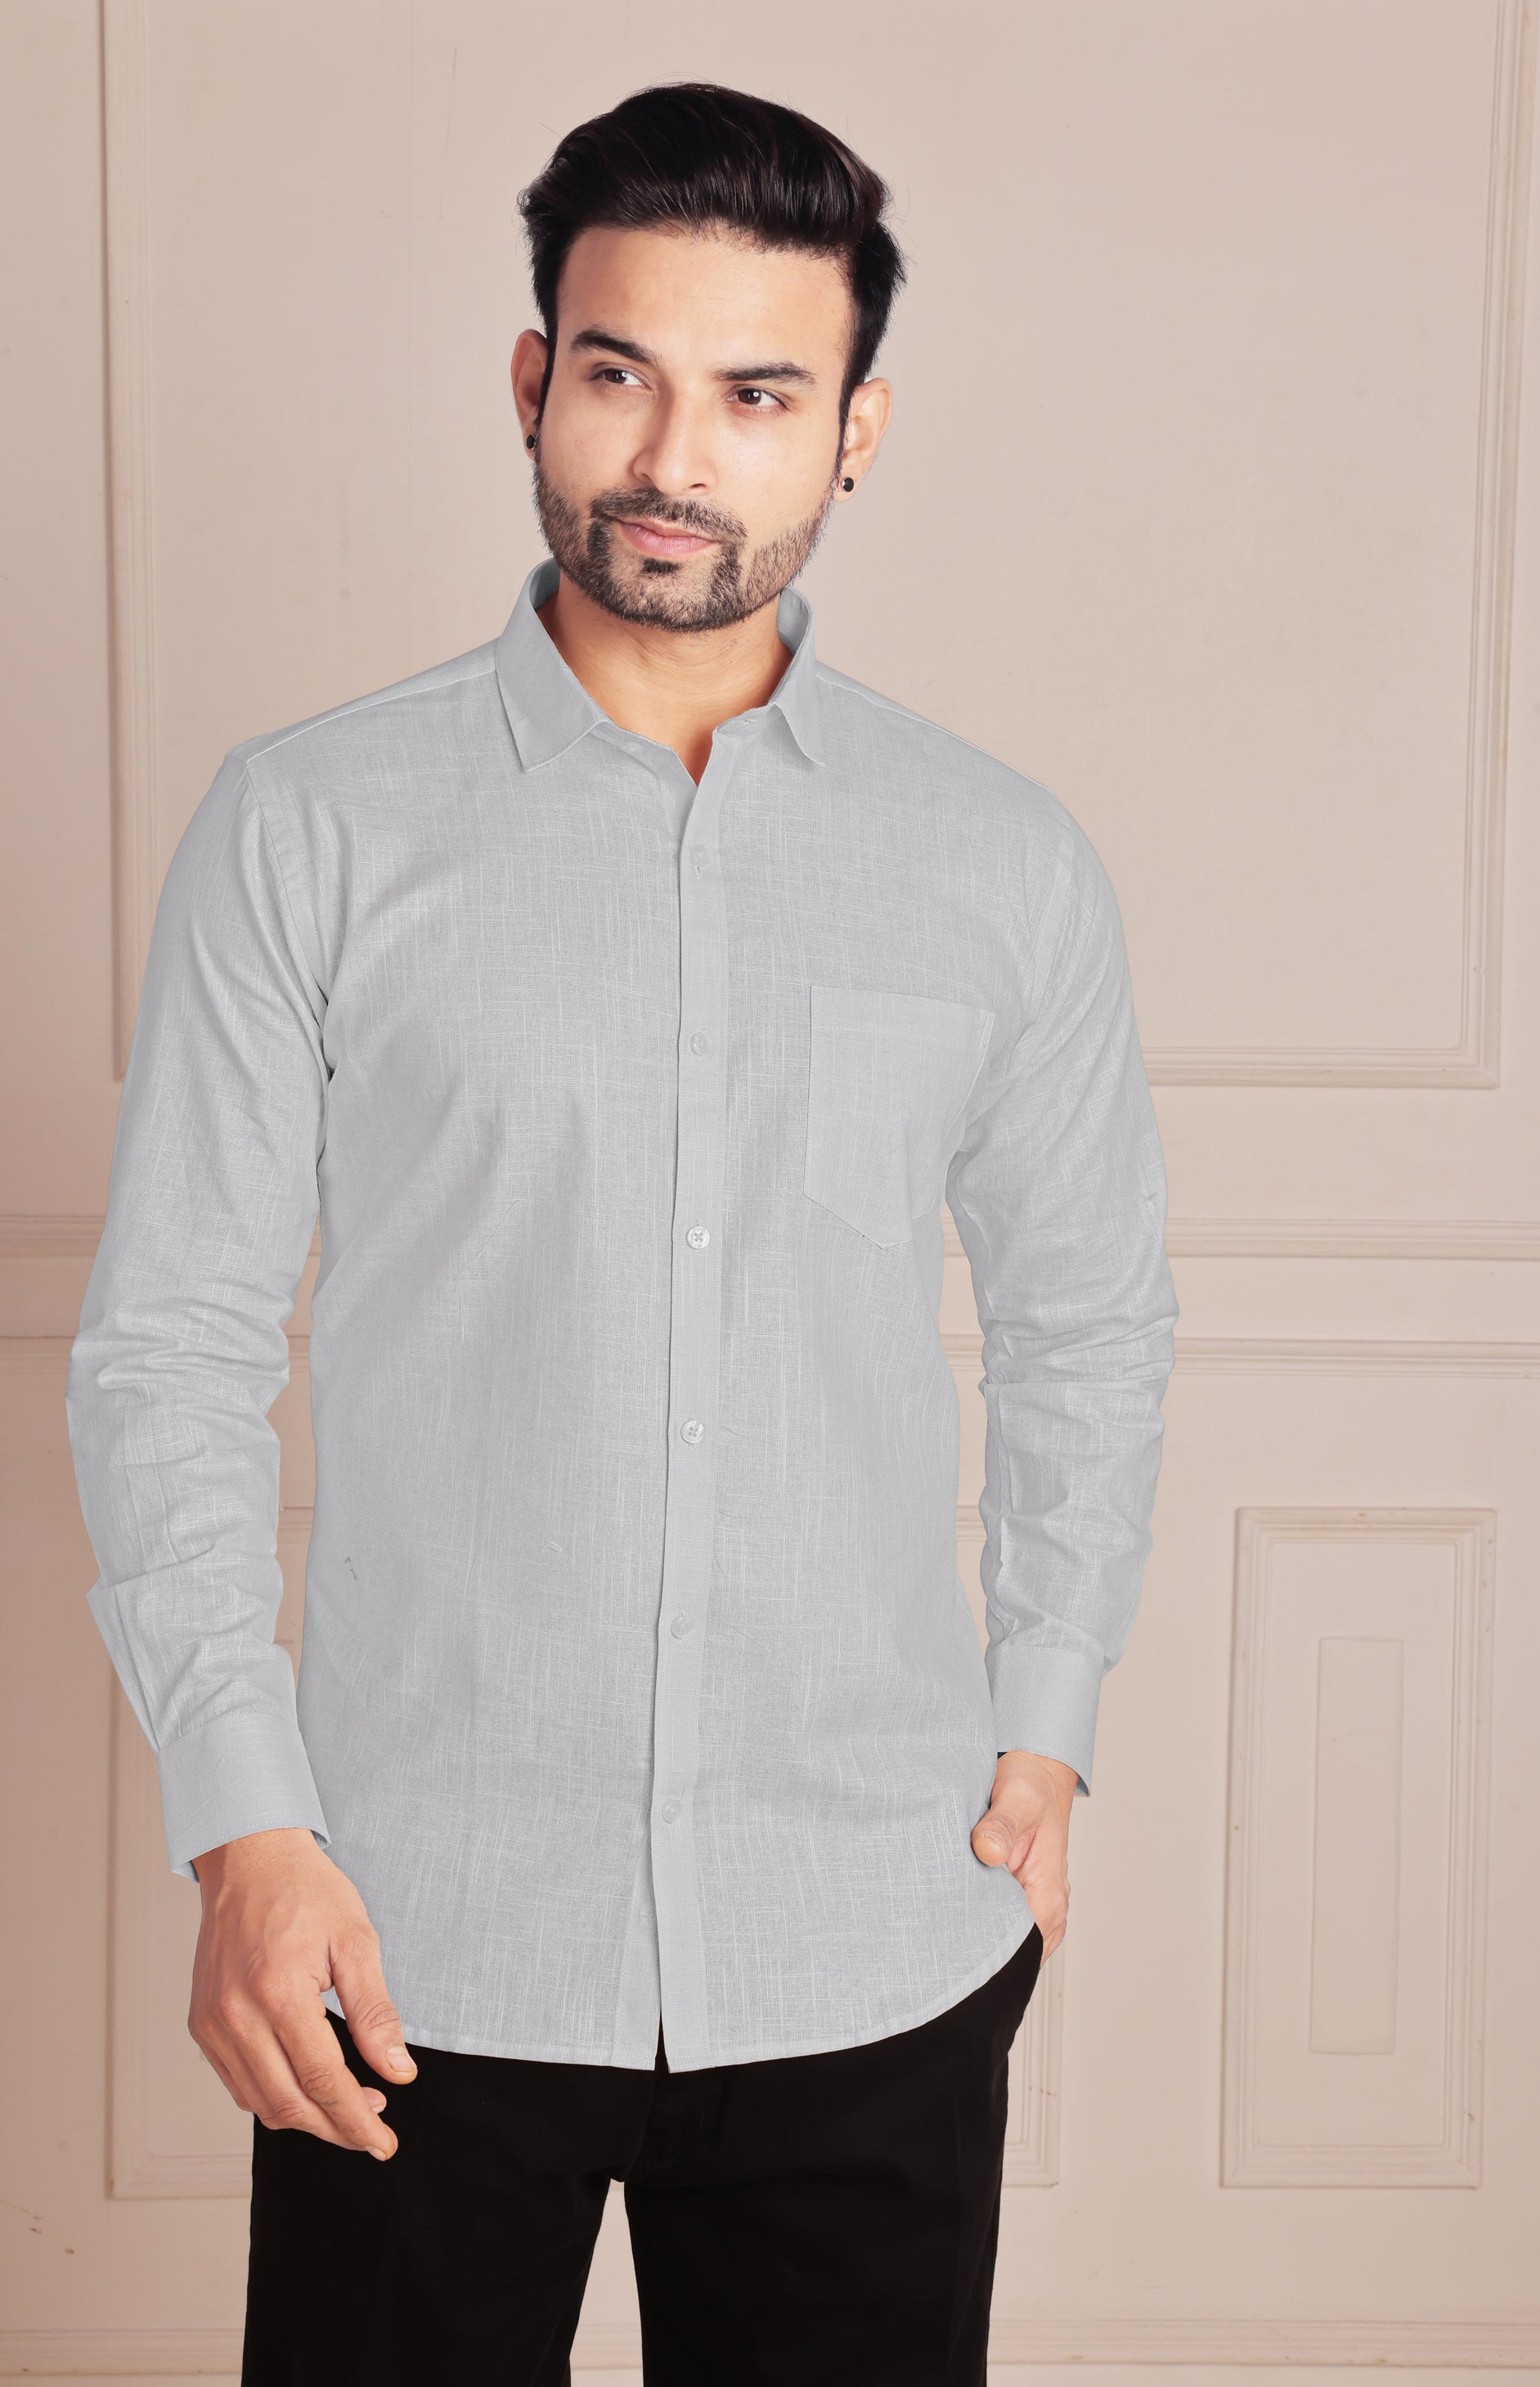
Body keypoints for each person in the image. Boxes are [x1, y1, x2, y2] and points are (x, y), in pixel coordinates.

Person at [65, 79, 1179, 2386]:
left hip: (865, 1934)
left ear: (855, 432)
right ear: (530, 381)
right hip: (403, 1936)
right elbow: (169, 1344)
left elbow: (1087, 1321)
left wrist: (1047, 1725)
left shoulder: (997, 863)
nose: (675, 457)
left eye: (758, 394)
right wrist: (244, 1830)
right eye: (618, 373)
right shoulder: (309, 829)